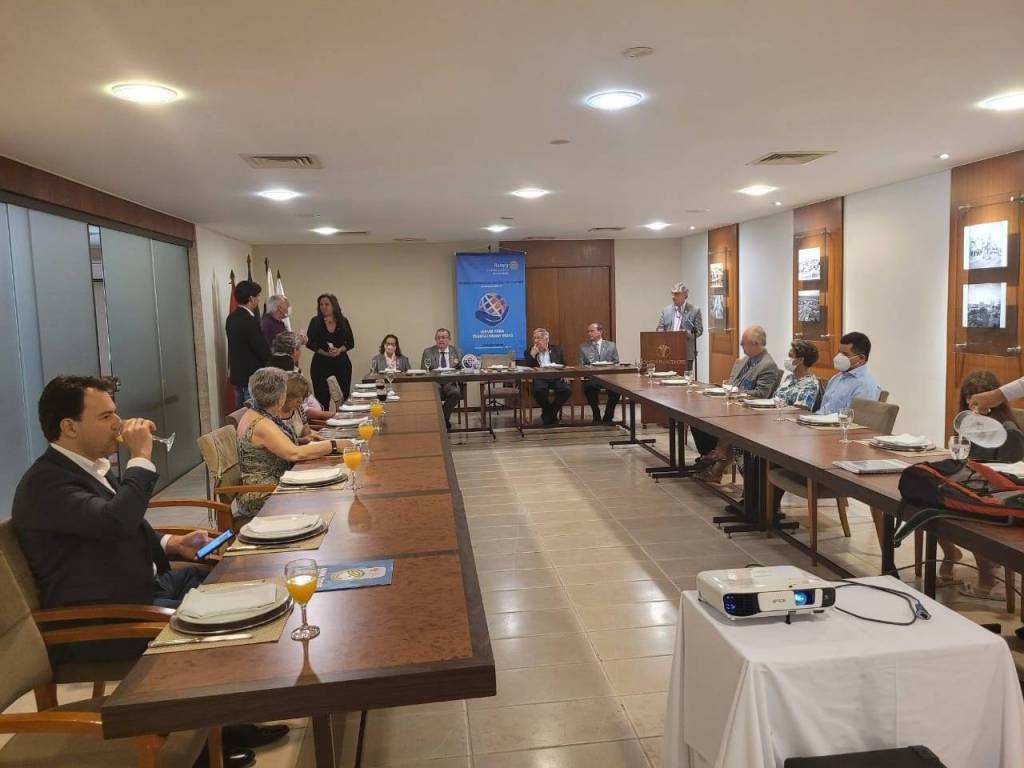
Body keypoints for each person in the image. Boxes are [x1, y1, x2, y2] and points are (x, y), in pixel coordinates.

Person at [12, 375, 285, 765]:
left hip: (138, 588)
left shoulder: (87, 468)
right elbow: (114, 521)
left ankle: (227, 721)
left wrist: (171, 544)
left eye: (115, 413)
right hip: (102, 619)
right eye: (105, 416)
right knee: (209, 625)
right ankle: (204, 749)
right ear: (69, 426)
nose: (118, 423)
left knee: (231, 583)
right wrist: (141, 458)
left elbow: (113, 526)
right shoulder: (46, 484)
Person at [940, 370, 1024, 598]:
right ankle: (951, 553)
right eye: (968, 397)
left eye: (978, 397)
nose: (972, 403)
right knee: (931, 498)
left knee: (969, 513)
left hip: (999, 494)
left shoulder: (1008, 432)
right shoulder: (970, 427)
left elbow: (1009, 477)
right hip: (974, 485)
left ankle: (986, 580)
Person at [697, 339, 818, 483]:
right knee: (736, 425)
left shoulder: (810, 383)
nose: (788, 358)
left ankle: (722, 462)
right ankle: (727, 469)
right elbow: (776, 399)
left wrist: (774, 410)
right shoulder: (789, 378)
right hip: (771, 417)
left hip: (787, 425)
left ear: (801, 360)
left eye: (791, 355)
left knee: (739, 431)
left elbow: (800, 411)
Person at [235, 368, 348, 519]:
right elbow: (294, 454)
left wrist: (306, 441)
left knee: (326, 491)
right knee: (325, 497)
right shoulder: (261, 423)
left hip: (277, 484)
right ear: (280, 396)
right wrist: (333, 445)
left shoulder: (259, 413)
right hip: (264, 494)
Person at [692, 326, 780, 468]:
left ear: (756, 344)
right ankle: (709, 455)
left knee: (718, 420)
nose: (740, 345)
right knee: (697, 417)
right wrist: (726, 389)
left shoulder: (767, 365)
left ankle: (717, 457)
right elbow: (732, 381)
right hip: (730, 403)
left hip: (748, 412)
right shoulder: (745, 360)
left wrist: (735, 392)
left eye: (743, 343)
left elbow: (761, 394)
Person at [306, 293, 356, 407]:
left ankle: (344, 417)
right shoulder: (315, 321)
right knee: (322, 399)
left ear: (334, 305)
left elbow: (350, 343)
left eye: (327, 304)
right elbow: (310, 343)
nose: (323, 307)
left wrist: (340, 350)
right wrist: (326, 353)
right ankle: (324, 418)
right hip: (321, 364)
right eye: (321, 304)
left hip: (341, 363)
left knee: (343, 397)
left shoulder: (343, 321)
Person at [226, 279, 270, 406]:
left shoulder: (231, 318)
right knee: (252, 416)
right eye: (258, 296)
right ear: (251, 298)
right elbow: (261, 350)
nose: (259, 299)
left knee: (240, 416)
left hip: (237, 377)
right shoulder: (249, 320)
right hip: (251, 378)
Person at [269, 332, 331, 420]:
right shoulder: (291, 375)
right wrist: (332, 415)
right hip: (311, 421)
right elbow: (302, 410)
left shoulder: (273, 368)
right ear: (295, 351)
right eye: (300, 349)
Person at [817, 331, 881, 414]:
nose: (839, 357)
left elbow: (854, 418)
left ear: (861, 358)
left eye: (845, 354)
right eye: (839, 352)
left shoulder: (865, 386)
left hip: (838, 422)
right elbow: (823, 409)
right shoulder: (836, 378)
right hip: (820, 420)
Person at [524, 328, 571, 426]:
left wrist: (565, 373)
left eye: (539, 338)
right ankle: (551, 415)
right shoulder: (529, 351)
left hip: (556, 377)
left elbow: (563, 364)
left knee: (566, 390)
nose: (536, 341)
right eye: (534, 338)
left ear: (546, 339)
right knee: (539, 391)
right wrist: (532, 355)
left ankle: (549, 414)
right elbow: (527, 368)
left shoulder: (556, 349)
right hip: (540, 378)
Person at [578, 322, 621, 423]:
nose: (589, 333)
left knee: (617, 390)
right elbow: (581, 365)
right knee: (589, 388)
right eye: (588, 331)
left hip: (608, 377)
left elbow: (616, 363)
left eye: (592, 331)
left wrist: (608, 366)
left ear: (600, 332)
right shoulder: (583, 347)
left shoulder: (611, 345)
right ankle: (596, 414)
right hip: (592, 377)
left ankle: (608, 416)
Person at [656, 282, 703, 372]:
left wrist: (684, 333)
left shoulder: (694, 310)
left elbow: (699, 331)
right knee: (667, 378)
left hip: (686, 352)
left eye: (676, 294)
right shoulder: (666, 310)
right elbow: (659, 328)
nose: (673, 296)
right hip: (667, 351)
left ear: (685, 295)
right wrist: (664, 335)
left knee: (685, 378)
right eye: (672, 293)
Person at [421, 328, 462, 430]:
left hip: (450, 381)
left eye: (443, 337)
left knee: (456, 392)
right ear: (435, 339)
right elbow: (424, 370)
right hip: (435, 382)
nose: (441, 340)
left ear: (449, 339)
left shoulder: (457, 351)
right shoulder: (428, 352)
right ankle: (444, 420)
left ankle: (442, 419)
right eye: (438, 338)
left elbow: (462, 369)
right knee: (434, 393)